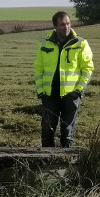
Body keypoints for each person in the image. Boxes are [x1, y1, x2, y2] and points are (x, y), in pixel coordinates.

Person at [33, 11, 94, 148]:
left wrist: (79, 90)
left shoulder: (81, 44)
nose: (66, 27)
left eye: (68, 23)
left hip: (71, 95)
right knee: (47, 131)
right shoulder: (44, 44)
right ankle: (46, 163)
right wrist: (41, 90)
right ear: (55, 26)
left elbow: (87, 68)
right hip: (49, 95)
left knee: (67, 133)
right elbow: (38, 69)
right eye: (61, 24)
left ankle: (66, 165)